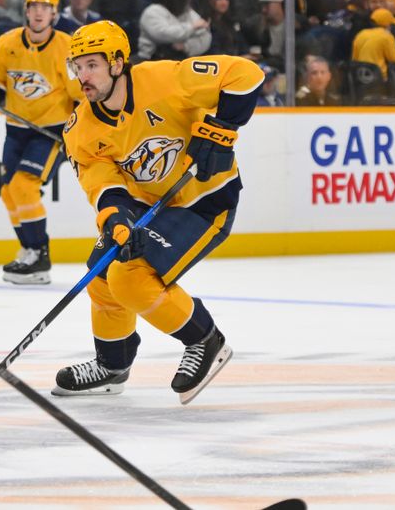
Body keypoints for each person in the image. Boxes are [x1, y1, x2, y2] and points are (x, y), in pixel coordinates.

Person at [57, 20, 263, 403]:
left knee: (129, 278)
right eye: (77, 66)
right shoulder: (79, 128)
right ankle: (112, 364)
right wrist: (117, 219)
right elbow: (102, 184)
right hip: (151, 205)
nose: (82, 76)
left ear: (117, 63)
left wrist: (221, 130)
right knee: (102, 275)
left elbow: (245, 74)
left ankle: (205, 340)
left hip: (206, 201)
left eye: (91, 65)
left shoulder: (164, 78)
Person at [0, 0, 82, 285]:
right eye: (33, 6)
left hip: (50, 130)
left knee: (24, 186)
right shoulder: (7, 42)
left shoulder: (66, 47)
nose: (39, 12)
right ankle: (29, 249)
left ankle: (40, 255)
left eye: (45, 6)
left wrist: (83, 129)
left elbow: (80, 95)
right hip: (16, 130)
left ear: (55, 13)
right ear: (26, 11)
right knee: (8, 191)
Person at [137, 0, 211, 61]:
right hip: (151, 60)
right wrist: (192, 27)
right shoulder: (153, 12)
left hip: (183, 60)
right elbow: (163, 34)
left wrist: (186, 46)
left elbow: (205, 35)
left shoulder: (188, 12)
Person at [352, 7, 395, 79]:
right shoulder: (386, 36)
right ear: (387, 24)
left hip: (360, 76)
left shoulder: (361, 34)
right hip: (380, 77)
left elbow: (354, 59)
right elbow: (394, 60)